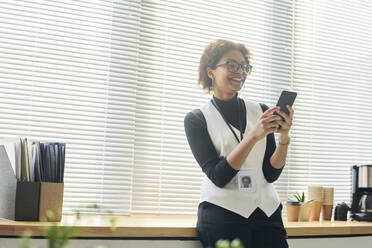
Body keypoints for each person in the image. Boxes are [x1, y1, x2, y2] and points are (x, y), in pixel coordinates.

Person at [184, 39, 294, 248]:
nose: (240, 71)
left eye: (244, 67)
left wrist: (284, 138)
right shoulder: (196, 119)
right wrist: (252, 136)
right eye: (232, 65)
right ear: (211, 72)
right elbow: (219, 176)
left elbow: (271, 174)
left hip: (267, 213)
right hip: (223, 213)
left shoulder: (260, 110)